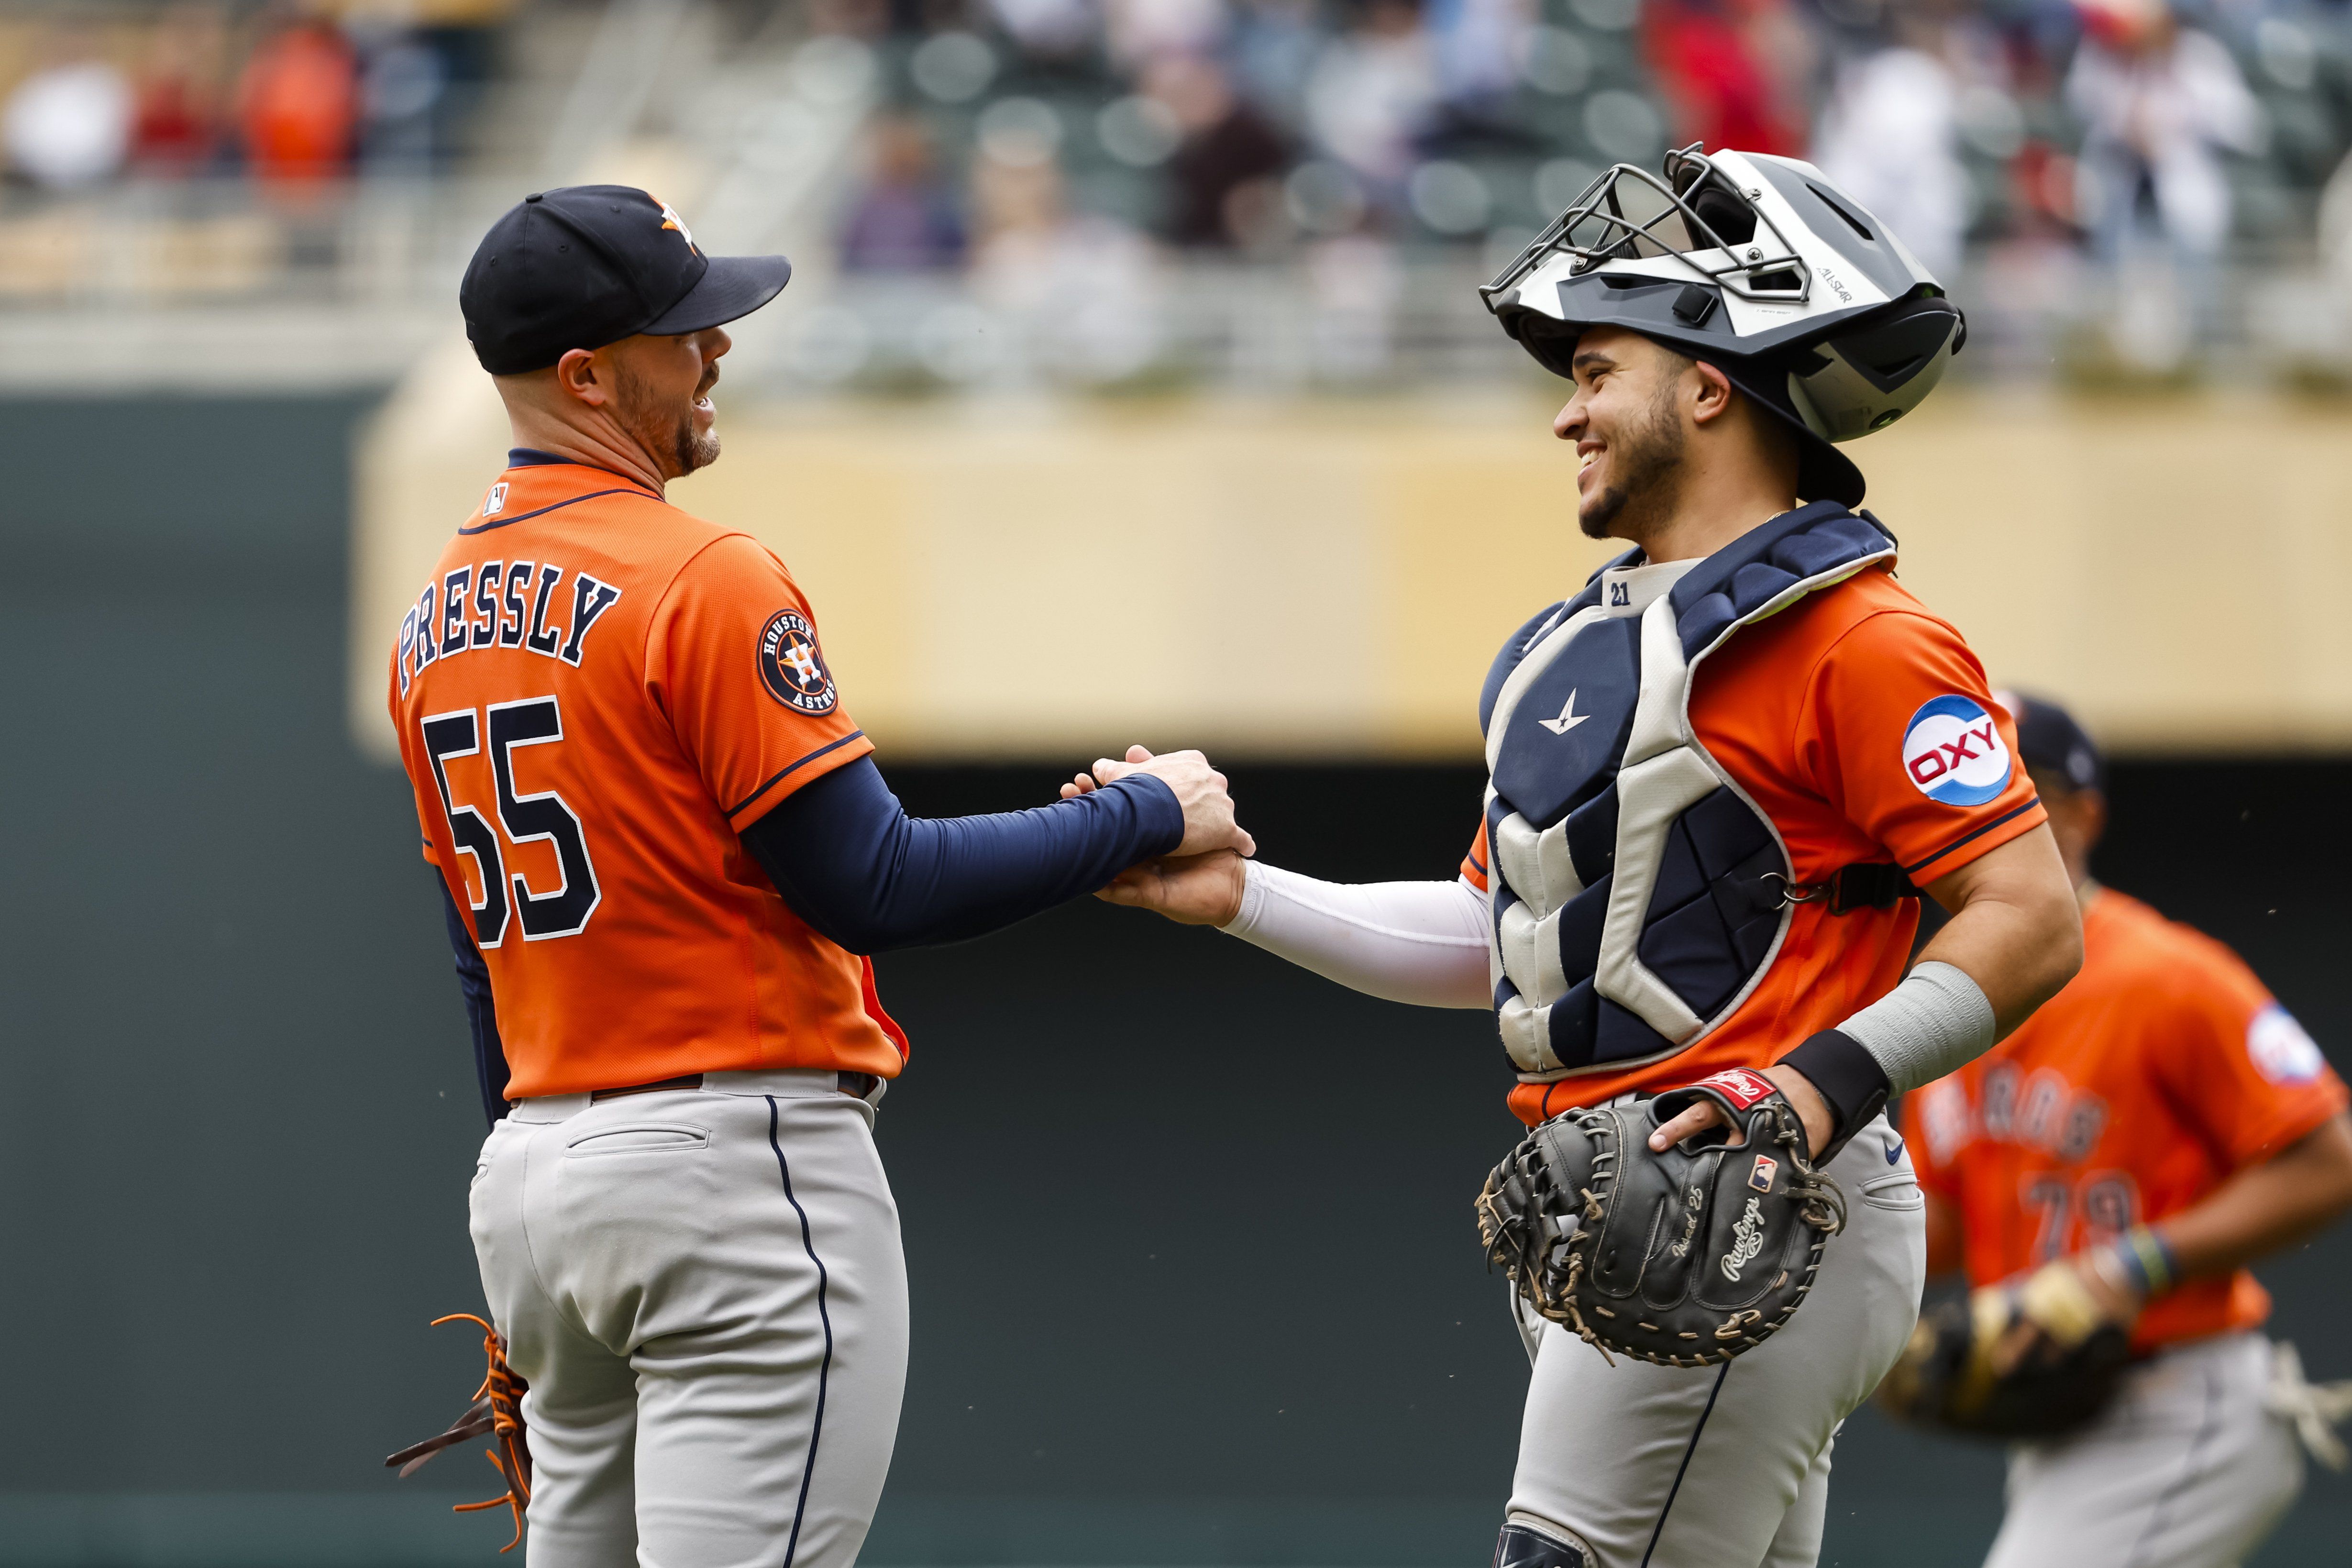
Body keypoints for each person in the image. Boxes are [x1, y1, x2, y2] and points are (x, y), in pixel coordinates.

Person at [1074, 145, 2083, 1567]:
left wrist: (1801, 1095)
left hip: (1760, 1196)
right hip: (1630, 1203)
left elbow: (2029, 914)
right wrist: (1242, 894)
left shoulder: (1861, 635)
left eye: (1596, 368)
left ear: (1707, 383)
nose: (1566, 413)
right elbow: (1508, 936)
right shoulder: (1592, 638)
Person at [386, 185, 1250, 1566]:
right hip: (730, 1169)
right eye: (682, 329)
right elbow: (875, 882)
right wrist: (1140, 812)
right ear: (584, 375)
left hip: (537, 1188)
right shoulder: (703, 574)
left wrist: (541, 1201)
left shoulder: (430, 618)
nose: (716, 345)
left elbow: (471, 962)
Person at [1901, 692, 2352, 1568]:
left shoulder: (2167, 976)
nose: (1990, 814)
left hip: (2181, 1399)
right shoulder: (1943, 995)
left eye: (2018, 789)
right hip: (2064, 1426)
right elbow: (1947, 1222)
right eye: (1969, 789)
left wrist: (2132, 1263)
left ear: (2085, 814)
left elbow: (2330, 1160)